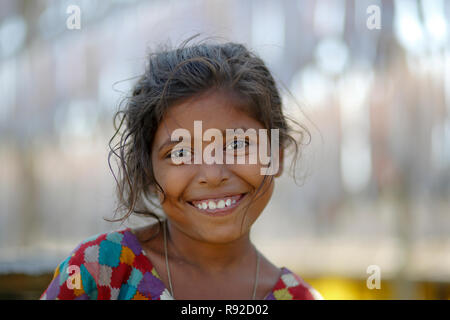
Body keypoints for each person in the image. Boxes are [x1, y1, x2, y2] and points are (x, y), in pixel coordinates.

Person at [40, 38, 323, 300]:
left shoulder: (298, 296)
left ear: (277, 155)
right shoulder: (102, 270)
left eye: (238, 144)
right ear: (148, 172)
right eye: (181, 152)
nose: (212, 175)